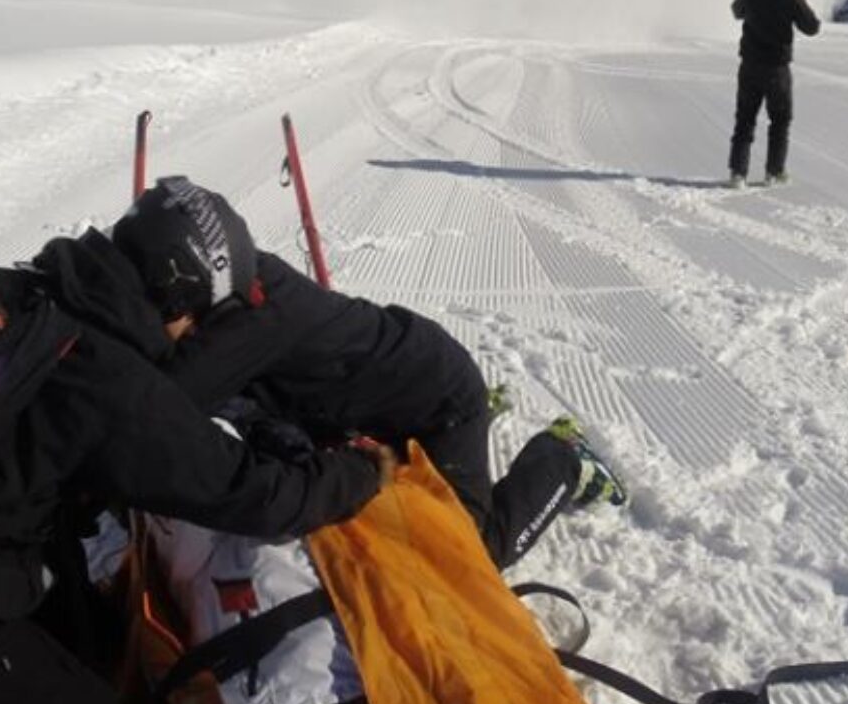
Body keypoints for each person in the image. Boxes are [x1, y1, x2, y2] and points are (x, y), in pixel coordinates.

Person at [107, 177, 624, 574]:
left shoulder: (251, 324)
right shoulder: (234, 288)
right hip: (384, 389)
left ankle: (562, 457)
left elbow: (152, 412)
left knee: (474, 551)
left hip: (441, 399)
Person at [0, 253, 390, 704]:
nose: (196, 340)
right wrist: (360, 470)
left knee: (97, 636)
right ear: (175, 305)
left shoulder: (19, 296)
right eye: (200, 320)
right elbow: (247, 493)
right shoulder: (105, 376)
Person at [728, 0, 821, 187]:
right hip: (777, 70)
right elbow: (812, 27)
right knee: (780, 121)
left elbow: (736, 11)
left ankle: (738, 174)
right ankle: (774, 172)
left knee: (745, 119)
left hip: (748, 67)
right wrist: (801, 1)